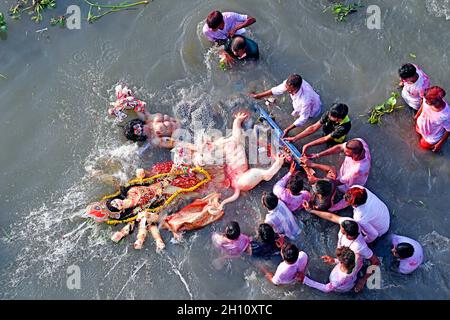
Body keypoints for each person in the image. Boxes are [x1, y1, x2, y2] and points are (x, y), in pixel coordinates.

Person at [302, 202, 380, 265]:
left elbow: (375, 261)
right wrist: (311, 210)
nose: (340, 226)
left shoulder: (359, 247)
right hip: (342, 252)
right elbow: (331, 217)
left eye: (342, 229)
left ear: (347, 235)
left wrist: (364, 279)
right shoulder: (348, 221)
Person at [250, 74, 322, 135]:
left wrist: (288, 129)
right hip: (301, 102)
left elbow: (303, 118)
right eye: (287, 89)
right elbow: (276, 90)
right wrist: (258, 96)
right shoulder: (290, 83)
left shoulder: (305, 99)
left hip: (314, 109)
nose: (288, 91)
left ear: (297, 88)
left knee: (307, 120)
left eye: (291, 90)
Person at [285, 103, 351, 155]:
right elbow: (314, 127)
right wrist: (295, 138)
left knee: (328, 148)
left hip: (335, 140)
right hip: (328, 130)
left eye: (331, 116)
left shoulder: (344, 127)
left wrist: (307, 145)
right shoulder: (330, 113)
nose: (328, 116)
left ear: (339, 119)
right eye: (329, 114)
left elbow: (326, 138)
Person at [415, 86, 450, 152]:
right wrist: (417, 115)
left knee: (423, 146)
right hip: (421, 124)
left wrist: (439, 144)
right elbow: (423, 105)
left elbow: (448, 130)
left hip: (432, 135)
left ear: (437, 102)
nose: (426, 102)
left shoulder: (446, 115)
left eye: (428, 102)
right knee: (417, 131)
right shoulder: (428, 98)